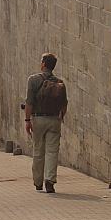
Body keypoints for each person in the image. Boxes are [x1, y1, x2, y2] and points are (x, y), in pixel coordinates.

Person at [24, 53, 66, 192]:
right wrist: (60, 117)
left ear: (43, 63)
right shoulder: (59, 82)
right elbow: (64, 104)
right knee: (52, 151)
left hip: (38, 119)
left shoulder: (34, 80)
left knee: (38, 150)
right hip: (54, 119)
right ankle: (50, 181)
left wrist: (27, 120)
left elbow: (29, 102)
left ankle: (38, 182)